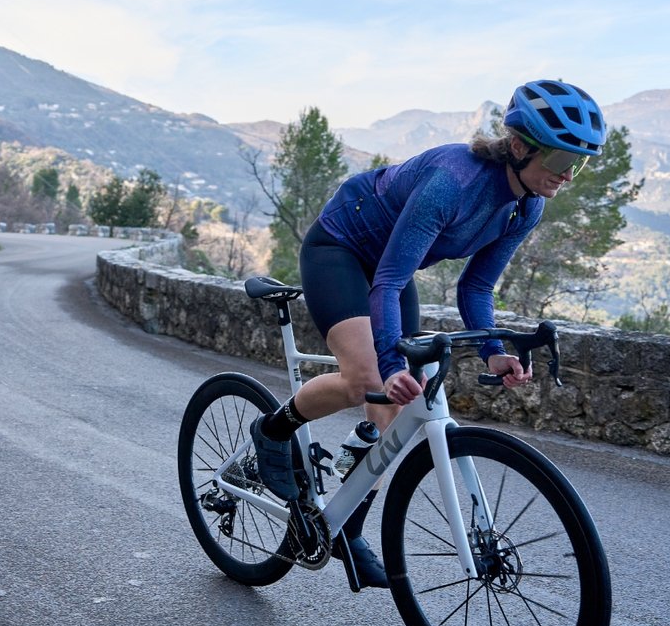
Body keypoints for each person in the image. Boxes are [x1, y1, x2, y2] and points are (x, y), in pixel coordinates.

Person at [250, 79, 608, 588]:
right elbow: (389, 282)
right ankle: (273, 430)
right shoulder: (451, 180)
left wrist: (493, 352)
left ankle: (346, 527)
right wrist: (390, 365)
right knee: (368, 380)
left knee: (398, 404)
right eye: (560, 159)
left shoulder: (526, 206)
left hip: (392, 268)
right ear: (519, 146)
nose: (568, 174)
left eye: (580, 162)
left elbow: (476, 287)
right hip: (341, 248)